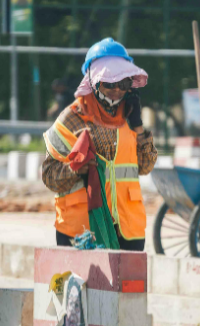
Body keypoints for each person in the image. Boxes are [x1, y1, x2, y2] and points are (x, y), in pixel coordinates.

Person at [41, 38, 158, 251]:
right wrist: (75, 169)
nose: (117, 90)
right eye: (109, 83)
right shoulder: (71, 119)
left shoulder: (131, 118)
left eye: (123, 83)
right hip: (82, 231)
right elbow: (49, 178)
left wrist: (138, 125)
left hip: (127, 229)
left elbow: (146, 166)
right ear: (93, 82)